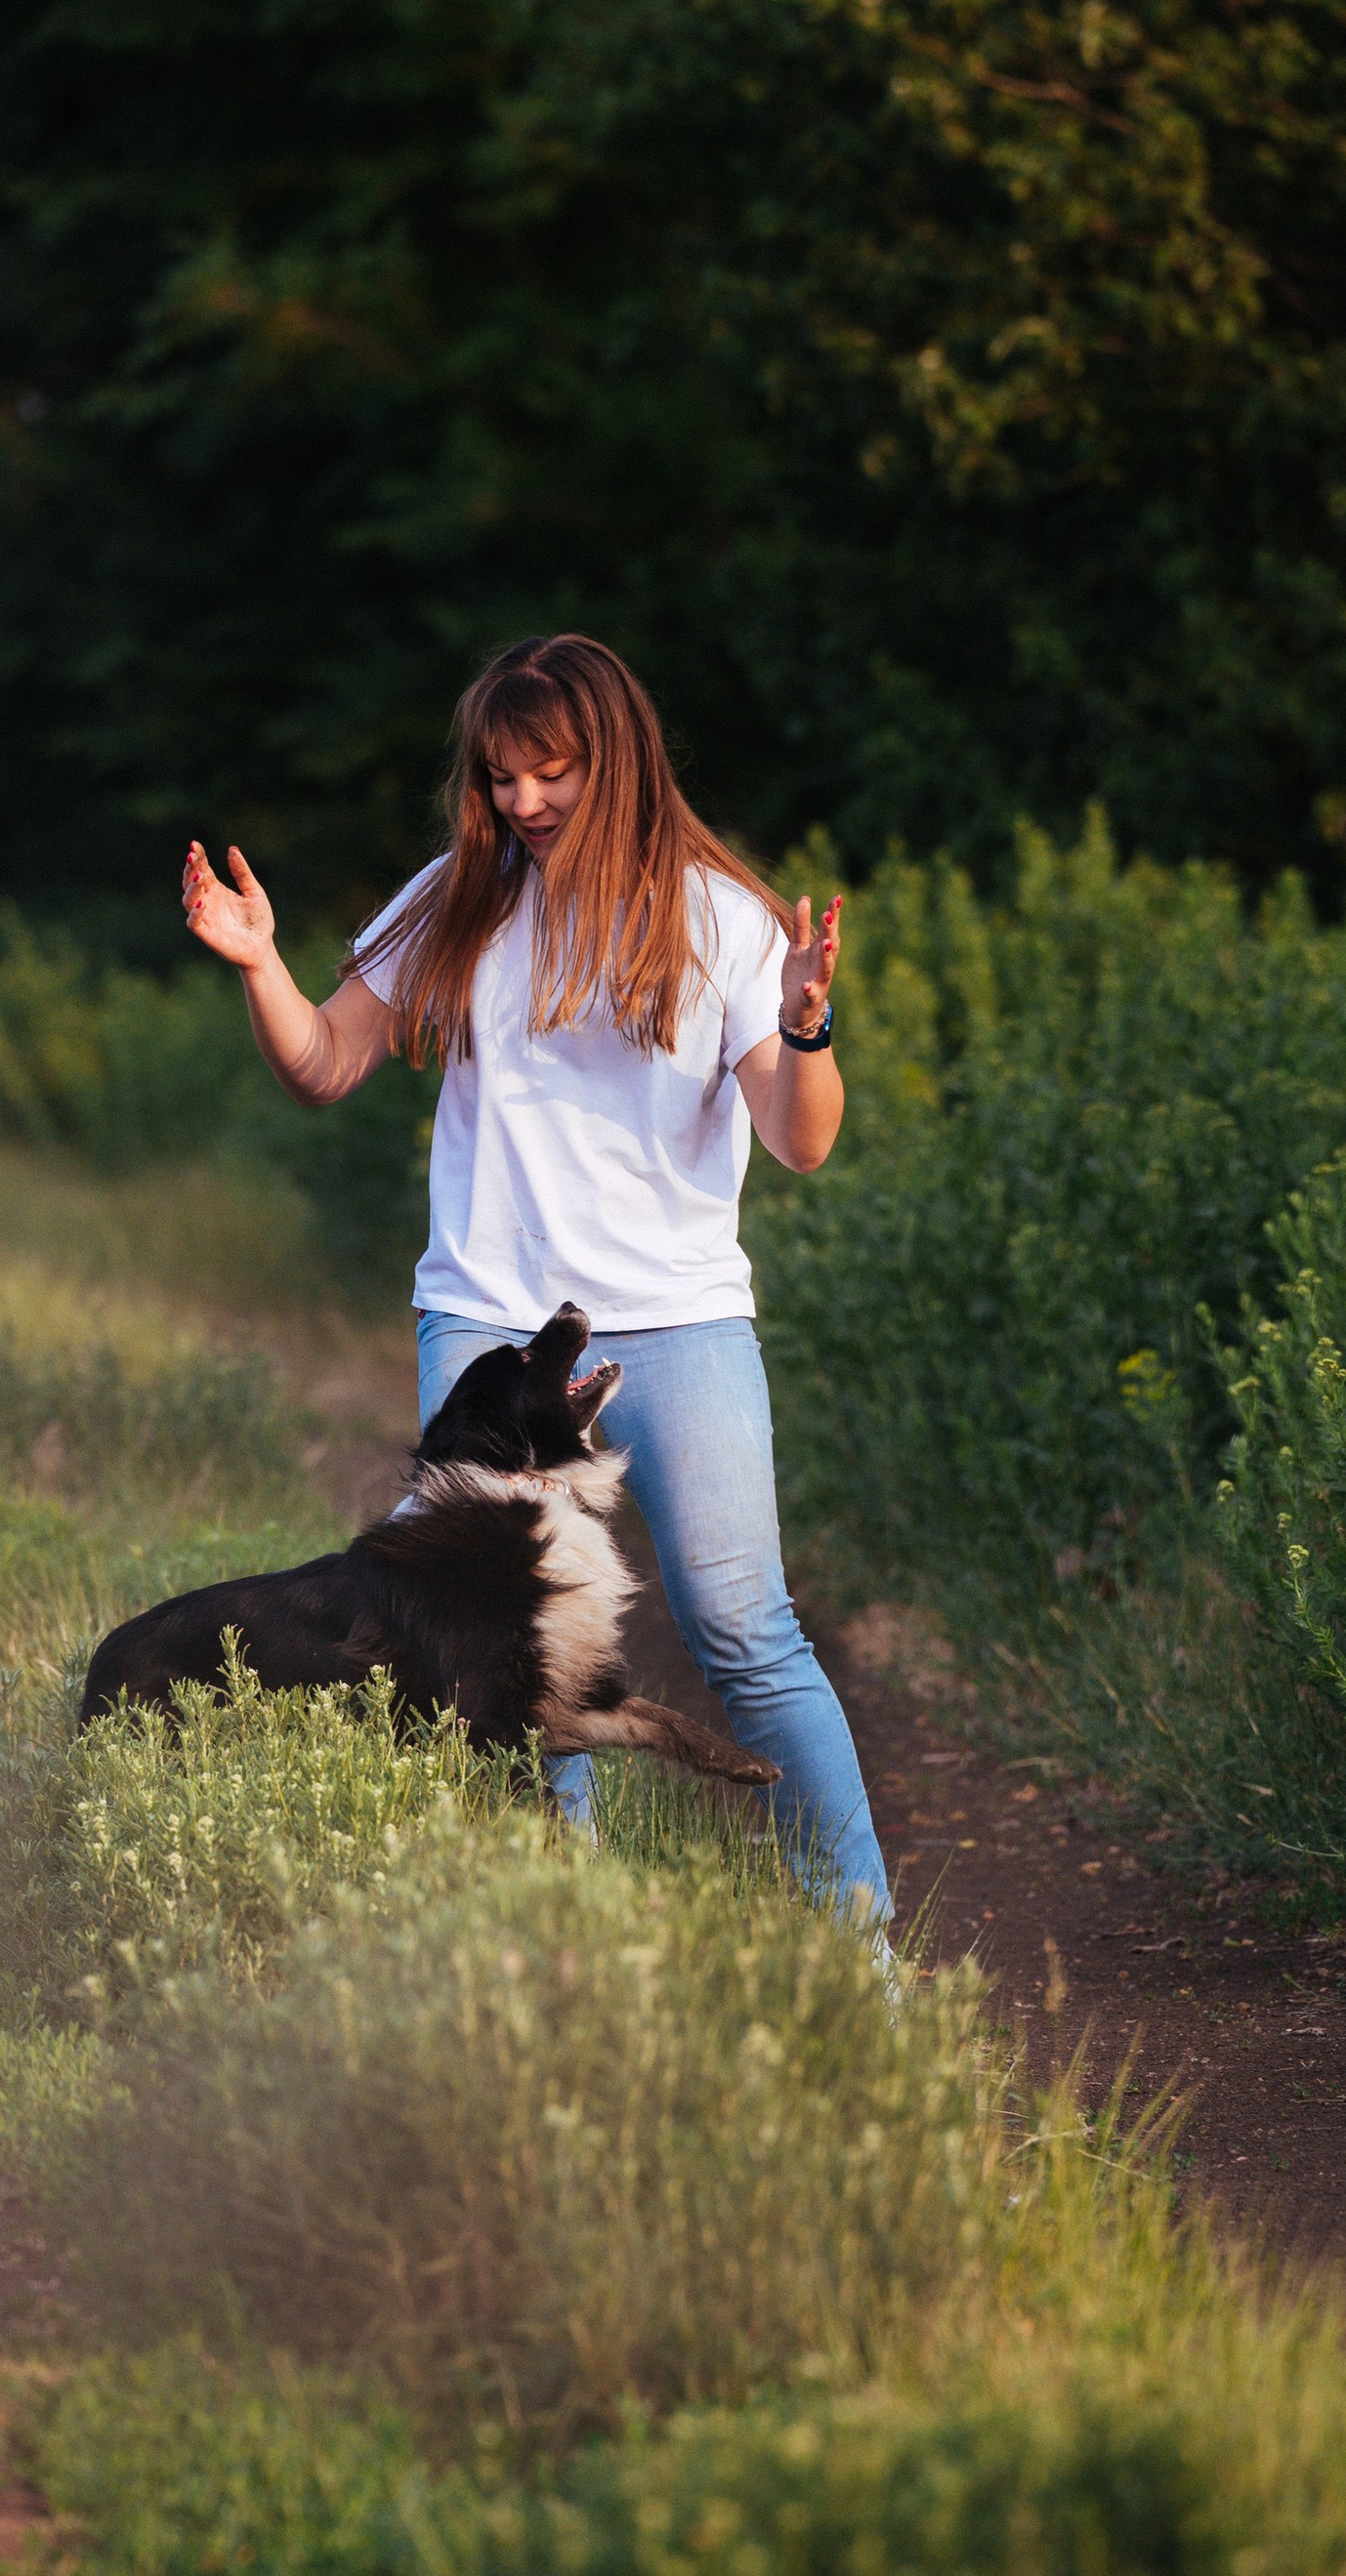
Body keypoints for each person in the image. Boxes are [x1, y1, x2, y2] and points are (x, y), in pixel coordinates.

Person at [179, 631, 891, 1932]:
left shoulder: (721, 919)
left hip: (678, 1321)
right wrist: (261, 966)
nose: (522, 803)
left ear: (613, 760)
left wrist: (803, 1026)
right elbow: (327, 1064)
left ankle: (861, 1944)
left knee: (743, 1630)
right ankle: (564, 1943)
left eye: (549, 772)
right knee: (490, 1650)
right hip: (494, 1324)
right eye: (502, 776)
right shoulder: (459, 895)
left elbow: (802, 1138)